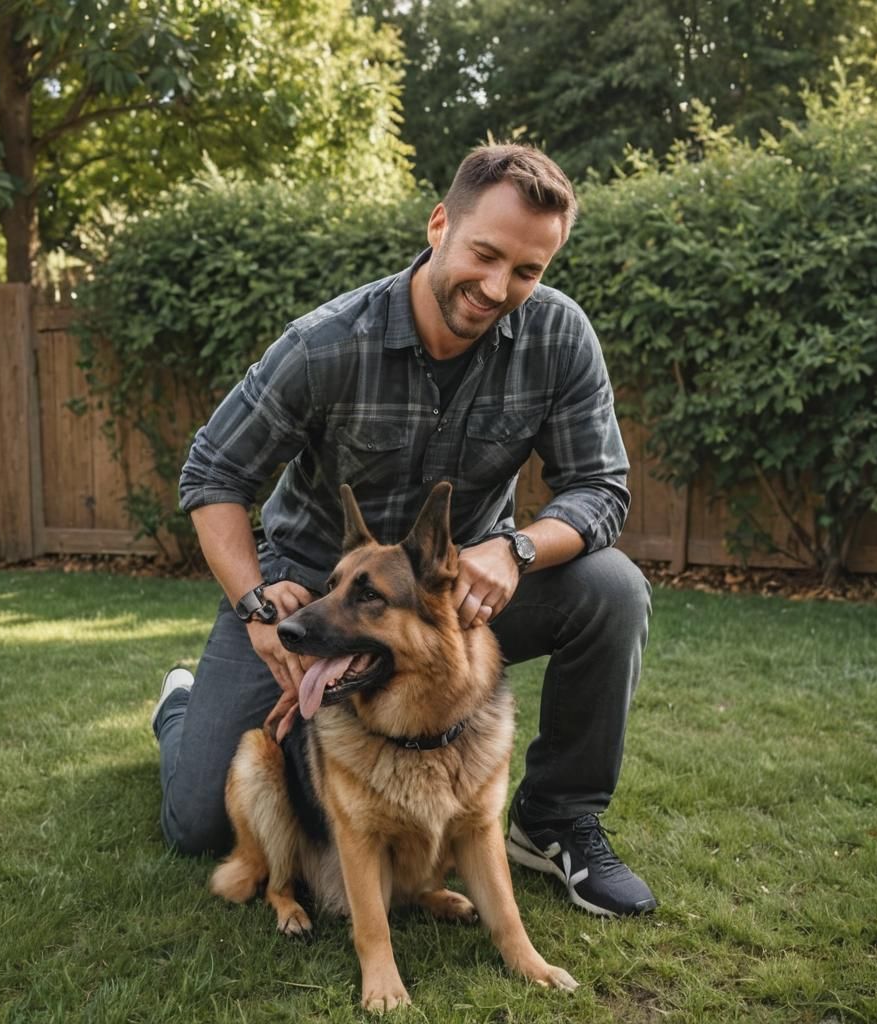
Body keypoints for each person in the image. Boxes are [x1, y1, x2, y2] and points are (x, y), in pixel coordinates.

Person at [152, 144, 656, 917]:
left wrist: (514, 549)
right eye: (484, 254)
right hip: (312, 598)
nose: (497, 288)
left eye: (527, 272)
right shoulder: (326, 343)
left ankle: (554, 819)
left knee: (612, 588)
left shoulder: (558, 339)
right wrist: (257, 604)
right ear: (438, 224)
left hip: (457, 602)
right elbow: (212, 474)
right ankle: (181, 707)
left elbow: (601, 487)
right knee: (195, 824)